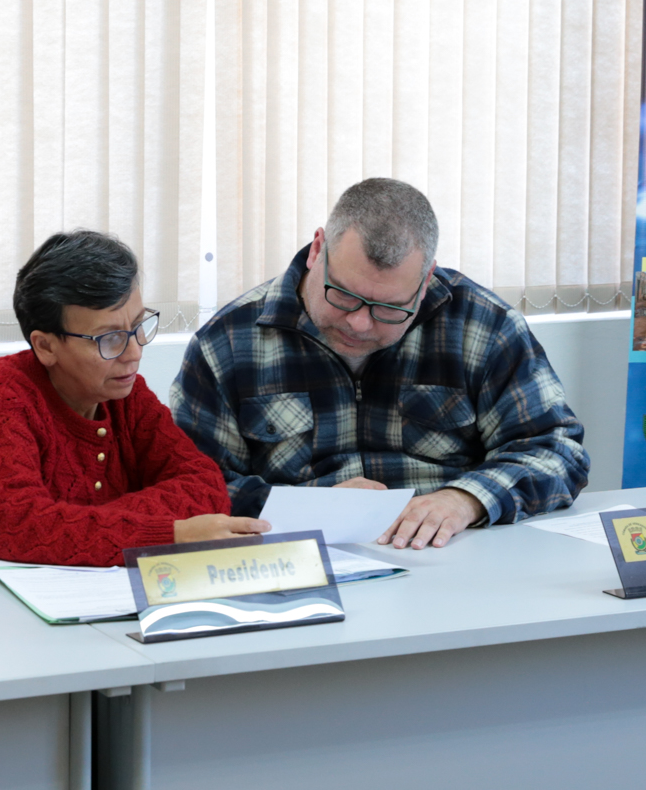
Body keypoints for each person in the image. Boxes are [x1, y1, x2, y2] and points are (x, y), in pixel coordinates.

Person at [172, 178, 588, 551]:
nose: (359, 323)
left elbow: (557, 450)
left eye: (389, 308)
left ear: (425, 281)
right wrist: (311, 506)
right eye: (343, 295)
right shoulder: (227, 342)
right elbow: (185, 485)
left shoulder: (483, 326)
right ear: (317, 250)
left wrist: (465, 499)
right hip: (302, 559)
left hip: (450, 559)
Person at [0, 230, 265, 566]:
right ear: (45, 346)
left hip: (52, 588)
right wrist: (169, 534)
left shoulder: (124, 394)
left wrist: (75, 526)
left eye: (137, 326)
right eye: (109, 338)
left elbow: (205, 486)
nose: (134, 352)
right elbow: (16, 529)